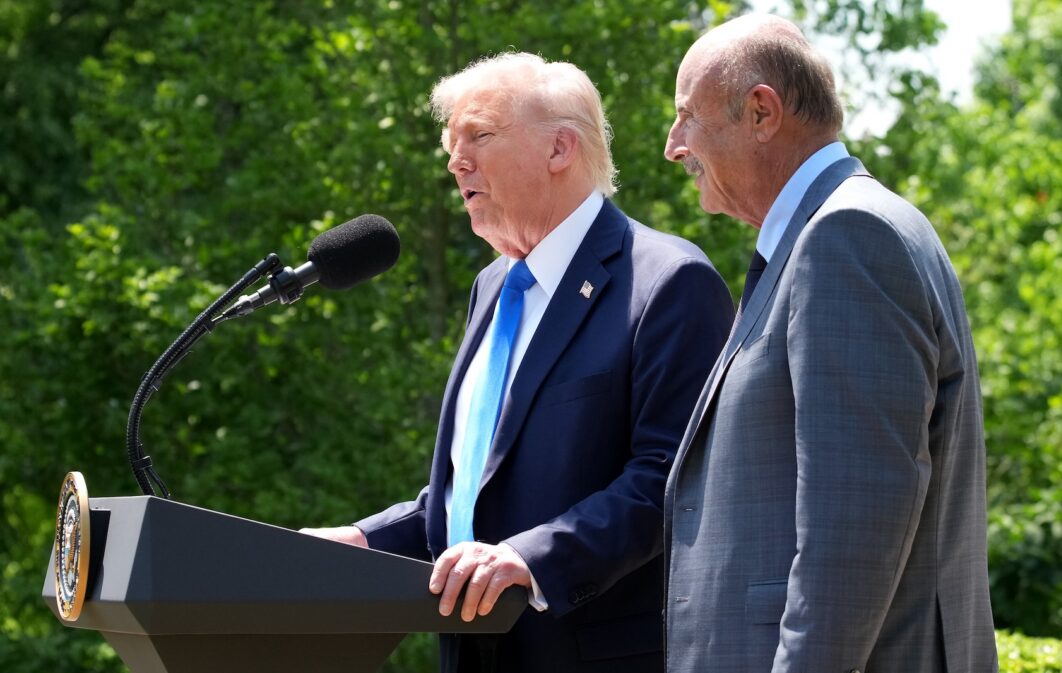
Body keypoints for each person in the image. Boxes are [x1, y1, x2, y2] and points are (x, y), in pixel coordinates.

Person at [303, 52, 733, 673]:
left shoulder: (668, 282)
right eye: (451, 145)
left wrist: (532, 559)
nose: (455, 161)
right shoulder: (493, 286)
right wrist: (364, 540)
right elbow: (474, 489)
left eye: (478, 135)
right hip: (470, 651)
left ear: (560, 147)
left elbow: (671, 481)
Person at [661, 15, 998, 673]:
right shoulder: (838, 231)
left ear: (762, 112)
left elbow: (851, 534)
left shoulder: (846, 236)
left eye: (687, 117)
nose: (674, 144)